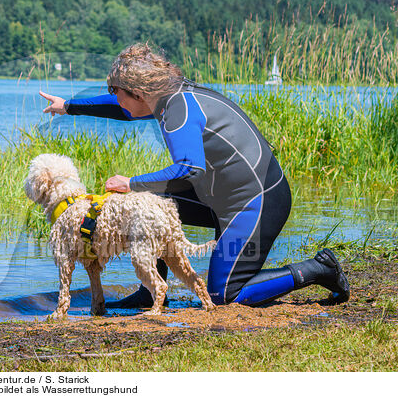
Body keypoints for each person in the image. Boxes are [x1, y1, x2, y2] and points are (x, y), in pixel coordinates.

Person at [39, 43, 349, 308]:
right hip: (220, 198)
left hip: (258, 200)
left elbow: (189, 168)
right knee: (149, 203)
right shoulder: (165, 96)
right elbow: (125, 109)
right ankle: (150, 293)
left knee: (225, 293)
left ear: (139, 92)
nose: (116, 99)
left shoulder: (178, 109)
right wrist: (69, 106)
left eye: (118, 93)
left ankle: (318, 268)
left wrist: (130, 182)